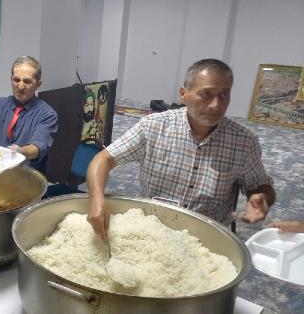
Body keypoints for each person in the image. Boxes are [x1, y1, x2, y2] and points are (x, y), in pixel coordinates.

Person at [86, 58, 276, 238]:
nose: (216, 105)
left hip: (206, 235)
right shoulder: (154, 126)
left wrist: (261, 198)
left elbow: (260, 186)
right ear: (183, 94)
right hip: (152, 225)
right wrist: (96, 199)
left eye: (223, 95)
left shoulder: (243, 142)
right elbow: (103, 159)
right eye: (206, 94)